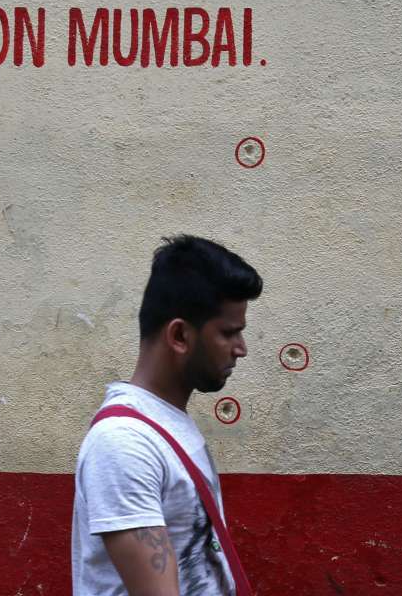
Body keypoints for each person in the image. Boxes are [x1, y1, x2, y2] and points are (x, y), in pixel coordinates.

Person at [71, 234, 263, 596]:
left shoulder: (165, 425)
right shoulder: (124, 445)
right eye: (229, 332)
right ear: (179, 336)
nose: (242, 349)